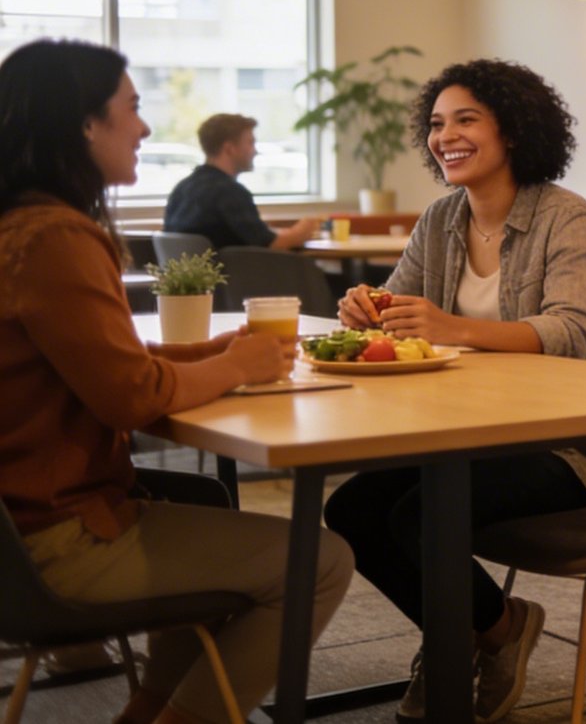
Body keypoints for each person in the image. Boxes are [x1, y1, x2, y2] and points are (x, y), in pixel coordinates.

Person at [0, 39, 352, 724]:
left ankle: (152, 707)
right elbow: (130, 397)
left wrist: (214, 354)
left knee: (208, 501)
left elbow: (97, 367)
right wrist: (235, 367)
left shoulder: (17, 227)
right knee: (322, 561)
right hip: (52, 540)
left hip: (16, 525)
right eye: (131, 108)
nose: (145, 127)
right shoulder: (55, 238)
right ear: (83, 125)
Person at [323, 58, 586, 723]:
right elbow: (401, 300)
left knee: (420, 517)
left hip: (562, 442)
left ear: (511, 130)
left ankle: (467, 638)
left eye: (465, 120)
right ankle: (494, 628)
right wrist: (367, 307)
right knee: (351, 513)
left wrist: (452, 326)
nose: (444, 136)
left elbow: (571, 329)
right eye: (436, 124)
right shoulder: (442, 217)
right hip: (467, 430)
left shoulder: (565, 216)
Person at [163, 112, 321, 250]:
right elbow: (269, 243)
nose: (255, 151)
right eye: (250, 143)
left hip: (192, 281)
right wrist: (302, 231)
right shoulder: (229, 192)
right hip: (234, 282)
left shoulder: (181, 189)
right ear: (229, 149)